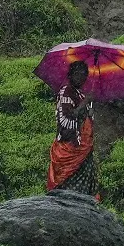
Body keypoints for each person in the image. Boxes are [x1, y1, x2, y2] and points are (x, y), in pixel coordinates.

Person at [47, 61, 97, 195]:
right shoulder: (66, 92)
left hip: (84, 147)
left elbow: (84, 117)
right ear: (71, 75)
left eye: (84, 75)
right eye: (78, 74)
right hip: (70, 145)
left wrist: (90, 112)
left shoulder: (79, 93)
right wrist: (85, 102)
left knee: (84, 183)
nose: (81, 78)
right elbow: (67, 118)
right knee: (67, 183)